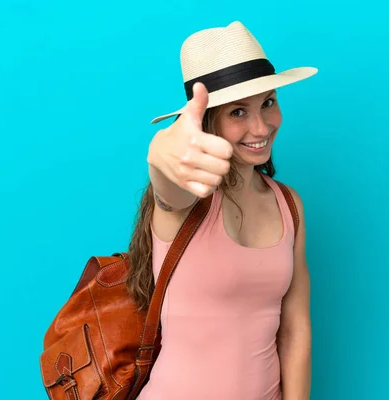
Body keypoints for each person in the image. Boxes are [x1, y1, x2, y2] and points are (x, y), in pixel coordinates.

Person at [128, 21, 318, 400]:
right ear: (207, 120)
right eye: (237, 112)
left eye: (268, 102)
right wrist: (159, 155)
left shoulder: (289, 205)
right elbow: (167, 185)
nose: (261, 126)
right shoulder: (185, 199)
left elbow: (295, 330)